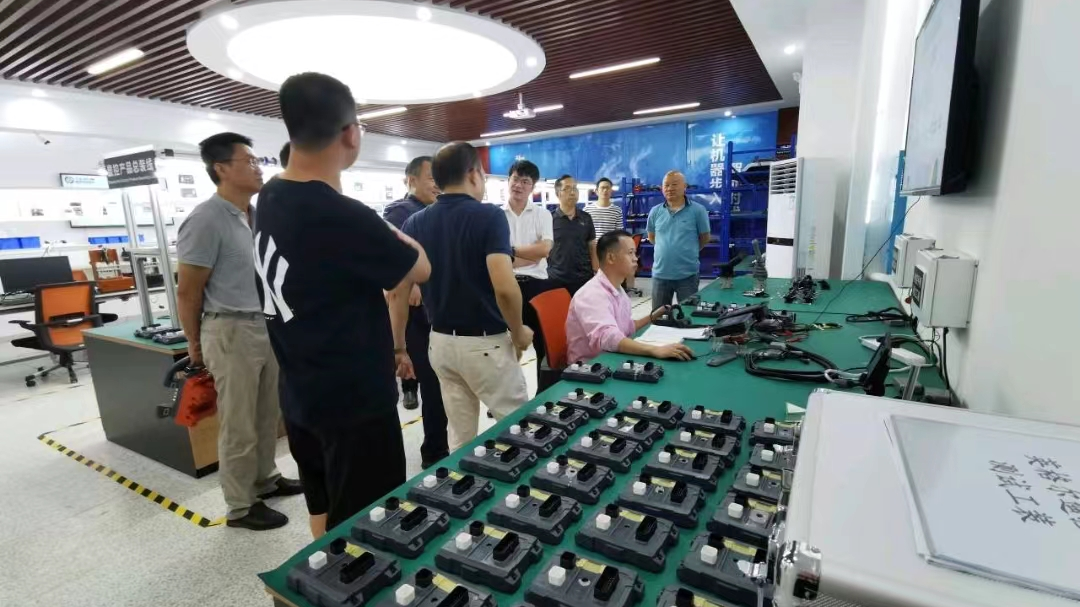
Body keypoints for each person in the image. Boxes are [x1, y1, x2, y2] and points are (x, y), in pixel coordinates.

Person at [254, 72, 431, 537]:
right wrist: (378, 225)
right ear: (351, 133)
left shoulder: (270, 194)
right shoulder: (344, 215)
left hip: (300, 389)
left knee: (322, 503)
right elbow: (420, 266)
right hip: (353, 403)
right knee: (367, 526)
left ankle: (322, 570)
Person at [176, 132, 303, 531]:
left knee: (267, 414)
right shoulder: (206, 219)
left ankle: (265, 478)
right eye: (248, 161)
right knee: (239, 422)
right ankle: (240, 505)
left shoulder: (255, 215)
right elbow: (188, 291)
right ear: (221, 168)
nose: (258, 167)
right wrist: (194, 344)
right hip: (229, 328)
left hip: (265, 325)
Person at [396, 142, 531, 450]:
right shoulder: (489, 216)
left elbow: (397, 293)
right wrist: (518, 330)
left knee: (460, 435)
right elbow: (504, 286)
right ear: (473, 174)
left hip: (440, 344)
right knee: (518, 431)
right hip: (486, 345)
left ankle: (463, 479)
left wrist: (399, 347)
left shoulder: (415, 223)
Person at [382, 156, 449, 468]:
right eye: (430, 177)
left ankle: (439, 446)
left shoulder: (436, 211)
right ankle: (434, 453)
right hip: (416, 317)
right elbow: (398, 270)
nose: (437, 184)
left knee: (440, 385)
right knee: (432, 385)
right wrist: (414, 284)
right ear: (411, 180)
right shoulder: (400, 212)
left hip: (438, 311)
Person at [566, 230, 695, 363]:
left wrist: (655, 315)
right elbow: (608, 338)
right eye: (630, 253)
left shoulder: (617, 289)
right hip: (590, 366)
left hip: (612, 359)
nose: (635, 258)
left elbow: (626, 328)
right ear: (611, 258)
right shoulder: (591, 294)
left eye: (635, 253)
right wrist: (654, 350)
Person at [502, 159, 554, 379]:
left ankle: (543, 392)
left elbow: (544, 250)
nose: (519, 185)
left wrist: (510, 253)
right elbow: (495, 259)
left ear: (532, 186)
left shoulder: (543, 214)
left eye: (525, 182)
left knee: (544, 345)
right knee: (504, 347)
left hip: (537, 287)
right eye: (515, 179)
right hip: (505, 286)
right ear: (508, 180)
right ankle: (506, 393)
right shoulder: (496, 216)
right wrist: (530, 256)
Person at [646, 170, 711, 306]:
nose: (670, 188)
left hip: (688, 275)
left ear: (685, 186)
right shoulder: (655, 211)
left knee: (688, 314)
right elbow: (652, 237)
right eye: (666, 185)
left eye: (674, 184)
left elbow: (704, 238)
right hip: (660, 275)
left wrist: (688, 250)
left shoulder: (698, 210)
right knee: (659, 316)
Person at [584, 177, 640, 296]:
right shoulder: (587, 210)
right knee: (595, 285)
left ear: (611, 191)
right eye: (602, 188)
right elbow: (585, 234)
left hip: (610, 253)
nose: (605, 190)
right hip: (593, 252)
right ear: (596, 191)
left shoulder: (616, 211)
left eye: (608, 188)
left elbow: (619, 234)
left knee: (612, 284)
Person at [548, 174, 598, 295]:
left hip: (584, 277)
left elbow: (592, 245)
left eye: (575, 188)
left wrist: (596, 270)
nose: (572, 192)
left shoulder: (586, 218)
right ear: (558, 194)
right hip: (556, 278)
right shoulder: (549, 219)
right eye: (567, 188)